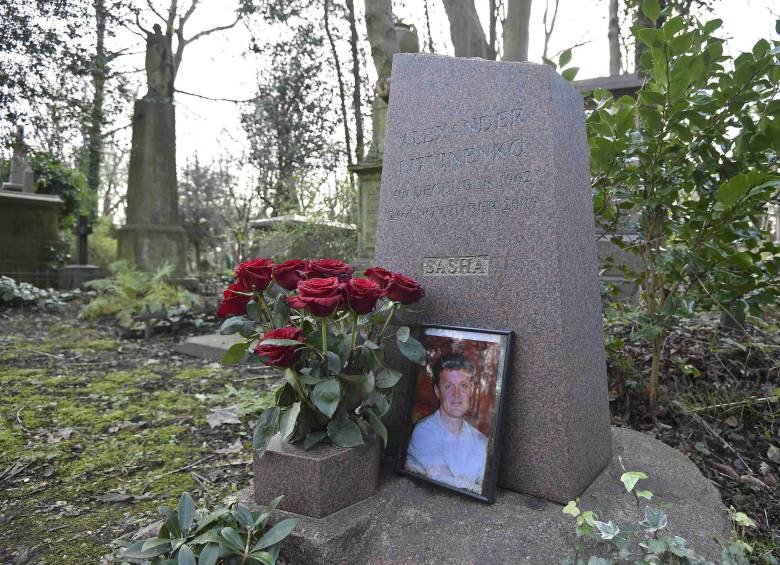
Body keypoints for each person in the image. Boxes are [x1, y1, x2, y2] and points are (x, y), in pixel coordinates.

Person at [406, 352, 488, 493]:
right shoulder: (423, 433)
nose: (457, 394)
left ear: (471, 391)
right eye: (448, 386)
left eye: (463, 386)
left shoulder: (481, 442)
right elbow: (447, 482)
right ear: (437, 392)